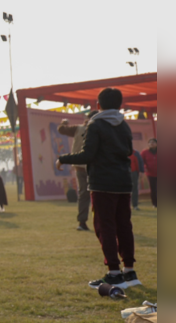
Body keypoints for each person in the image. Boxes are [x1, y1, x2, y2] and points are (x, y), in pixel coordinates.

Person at [57, 88, 140, 291]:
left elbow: (87, 155)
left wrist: (63, 158)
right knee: (124, 226)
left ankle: (114, 273)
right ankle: (130, 272)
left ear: (98, 105)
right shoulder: (124, 125)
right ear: (120, 105)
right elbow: (129, 151)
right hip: (123, 182)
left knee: (105, 227)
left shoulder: (95, 124)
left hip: (103, 183)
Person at [58, 111, 97, 231]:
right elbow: (62, 130)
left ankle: (87, 222)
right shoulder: (79, 128)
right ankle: (82, 221)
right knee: (86, 193)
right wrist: (64, 123)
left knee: (88, 194)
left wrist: (64, 124)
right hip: (85, 166)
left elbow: (62, 130)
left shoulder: (82, 128)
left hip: (93, 166)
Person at [142, 139, 157, 208]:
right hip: (150, 174)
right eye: (150, 143)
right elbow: (141, 161)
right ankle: (155, 203)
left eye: (153, 142)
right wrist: (144, 168)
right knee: (153, 188)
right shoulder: (145, 152)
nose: (151, 144)